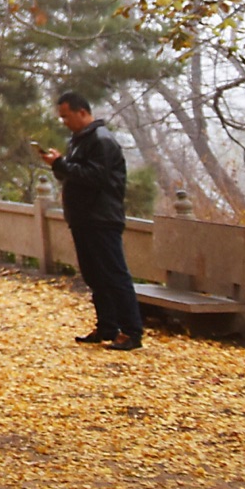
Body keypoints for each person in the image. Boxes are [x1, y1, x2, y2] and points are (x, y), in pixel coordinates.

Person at [41, 88, 143, 349]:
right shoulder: (79, 140)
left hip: (101, 216)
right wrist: (59, 165)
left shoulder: (101, 140)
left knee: (114, 273)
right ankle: (107, 325)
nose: (64, 122)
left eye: (66, 116)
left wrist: (61, 164)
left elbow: (94, 177)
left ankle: (131, 331)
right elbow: (73, 174)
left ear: (82, 112)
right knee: (94, 275)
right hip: (83, 216)